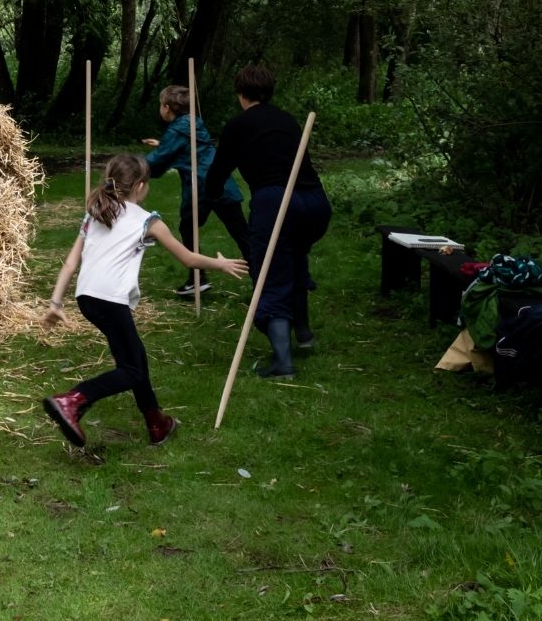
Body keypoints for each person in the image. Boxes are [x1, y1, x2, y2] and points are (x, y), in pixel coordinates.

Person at [41, 154, 249, 449]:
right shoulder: (147, 220)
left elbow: (71, 263)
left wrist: (55, 304)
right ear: (139, 186)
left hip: (87, 297)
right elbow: (187, 257)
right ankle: (72, 401)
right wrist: (220, 264)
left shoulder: (96, 212)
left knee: (135, 357)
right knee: (131, 370)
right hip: (111, 299)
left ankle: (156, 423)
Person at [202, 63, 332, 379]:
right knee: (294, 261)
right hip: (315, 202)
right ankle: (303, 336)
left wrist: (211, 195)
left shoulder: (239, 125)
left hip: (276, 202)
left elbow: (218, 171)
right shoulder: (286, 119)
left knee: (272, 274)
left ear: (240, 93)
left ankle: (283, 363)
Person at [140, 84, 252, 296]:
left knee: (189, 228)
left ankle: (198, 278)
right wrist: (162, 144)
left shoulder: (176, 130)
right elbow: (186, 147)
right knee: (241, 233)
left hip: (201, 186)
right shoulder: (194, 123)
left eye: (159, 106)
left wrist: (131, 166)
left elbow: (157, 163)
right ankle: (266, 280)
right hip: (222, 182)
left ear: (166, 107)